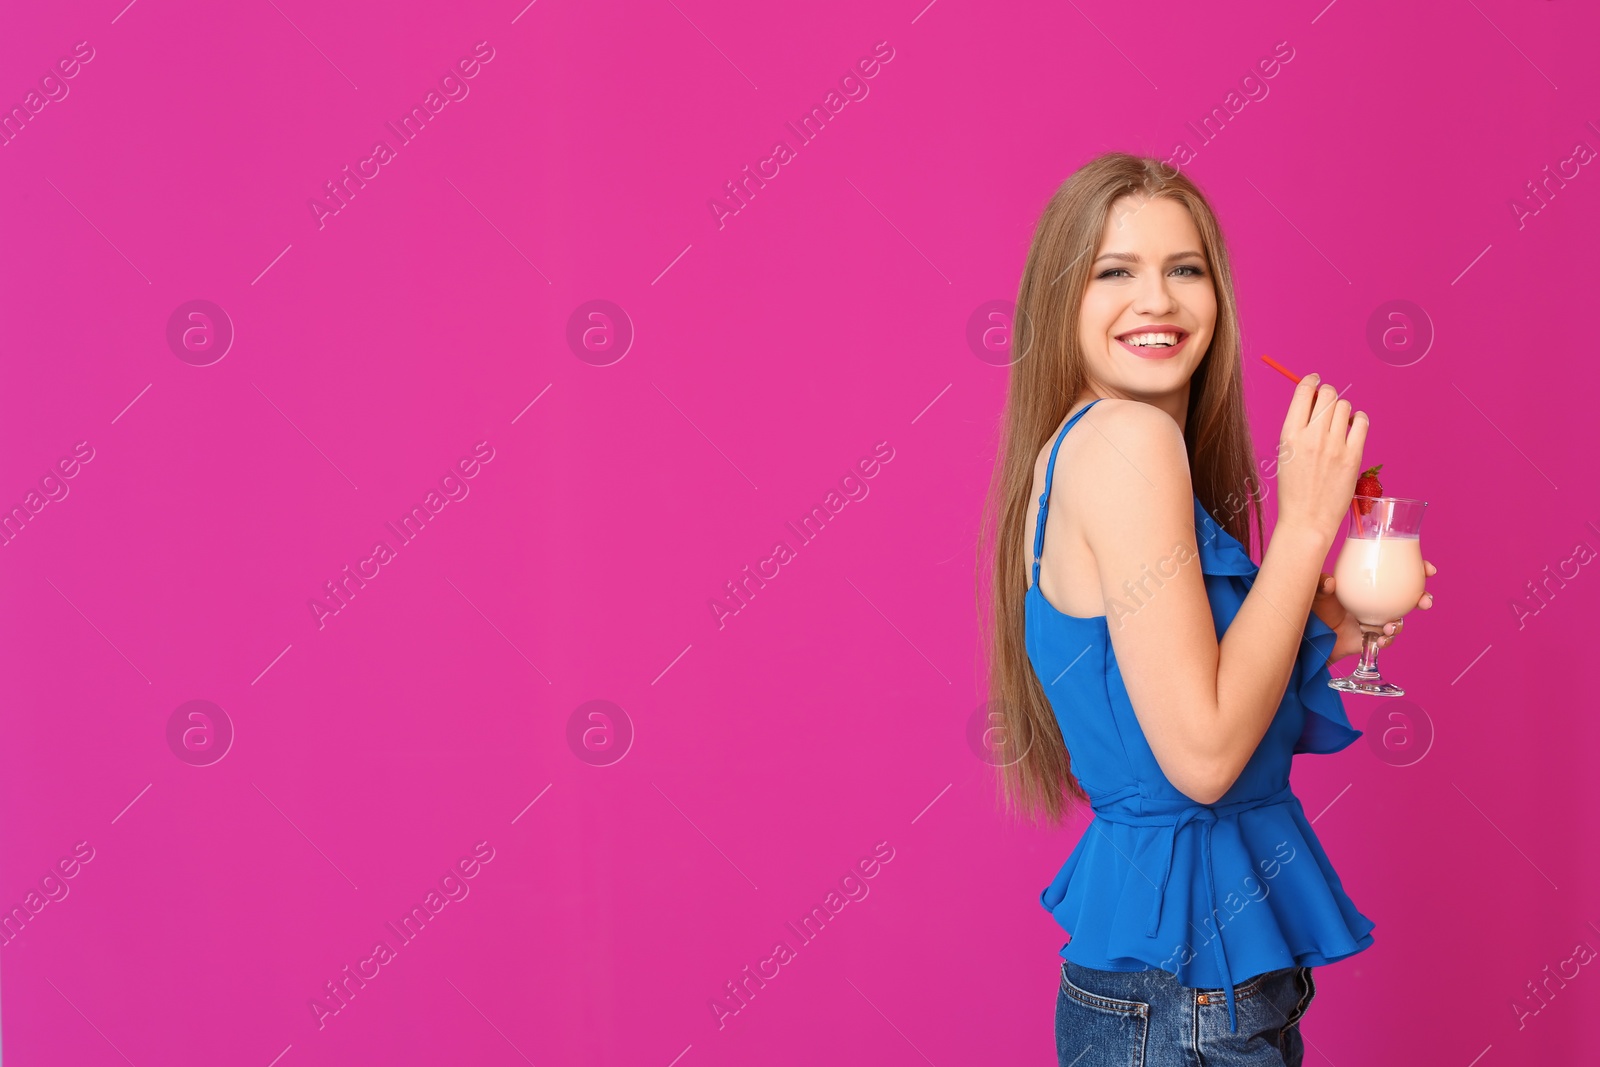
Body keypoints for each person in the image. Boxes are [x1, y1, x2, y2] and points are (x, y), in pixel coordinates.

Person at [976, 153, 1437, 1066]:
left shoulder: (1095, 447)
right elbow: (1202, 756)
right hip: (1186, 999)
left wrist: (1333, 619)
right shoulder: (1129, 440)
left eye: (1185, 269)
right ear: (1059, 300)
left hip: (1178, 992)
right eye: (1116, 272)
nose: (1158, 300)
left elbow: (1176, 687)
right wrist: (1305, 522)